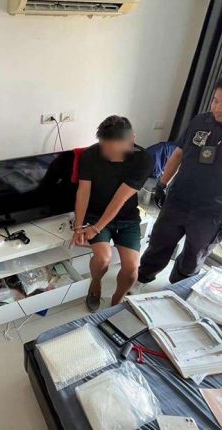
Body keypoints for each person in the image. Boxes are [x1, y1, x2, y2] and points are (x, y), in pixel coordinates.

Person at [137, 65, 222, 287]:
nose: (218, 108)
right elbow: (178, 153)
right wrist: (162, 184)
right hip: (178, 200)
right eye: (215, 100)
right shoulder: (201, 121)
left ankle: (177, 290)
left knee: (193, 258)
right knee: (159, 244)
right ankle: (141, 279)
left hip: (214, 212)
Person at [73, 116, 153, 309]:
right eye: (105, 148)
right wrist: (79, 226)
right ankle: (95, 285)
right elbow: (83, 192)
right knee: (103, 258)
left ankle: (117, 301)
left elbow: (120, 199)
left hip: (127, 218)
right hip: (96, 214)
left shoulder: (144, 159)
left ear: (131, 139)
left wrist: (96, 229)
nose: (109, 155)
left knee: (131, 268)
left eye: (115, 150)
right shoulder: (90, 155)